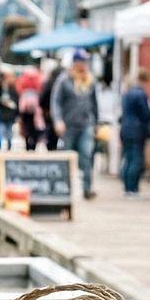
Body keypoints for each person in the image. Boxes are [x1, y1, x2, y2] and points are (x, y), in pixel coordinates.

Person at [52, 50, 100, 199]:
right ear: (75, 62)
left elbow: (94, 103)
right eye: (81, 61)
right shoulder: (64, 80)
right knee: (65, 156)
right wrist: (58, 120)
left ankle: (87, 188)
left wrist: (97, 122)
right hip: (68, 124)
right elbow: (56, 102)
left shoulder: (89, 81)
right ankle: (62, 187)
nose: (84, 65)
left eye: (85, 62)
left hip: (86, 123)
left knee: (86, 155)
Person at [119, 67, 150, 198]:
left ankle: (127, 187)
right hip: (137, 129)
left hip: (125, 128)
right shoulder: (140, 94)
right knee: (136, 159)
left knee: (128, 158)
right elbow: (145, 113)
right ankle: (133, 188)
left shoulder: (127, 92)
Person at [16, 65, 45, 149]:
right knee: (34, 127)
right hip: (35, 109)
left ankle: (27, 144)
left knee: (26, 127)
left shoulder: (23, 83)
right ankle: (33, 144)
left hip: (25, 110)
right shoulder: (38, 80)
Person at [0, 66, 20, 151]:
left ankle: (8, 149)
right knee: (2, 133)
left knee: (9, 134)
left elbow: (17, 100)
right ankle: (1, 148)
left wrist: (17, 114)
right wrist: (2, 102)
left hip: (10, 114)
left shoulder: (13, 88)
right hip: (1, 114)